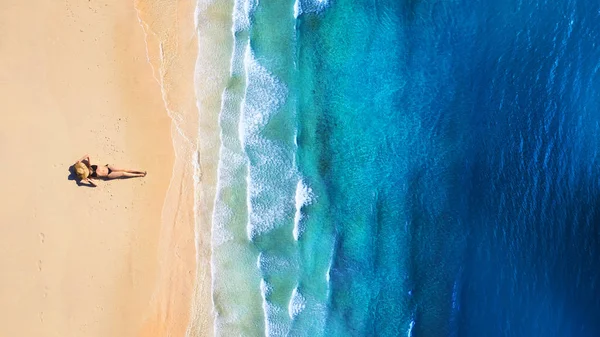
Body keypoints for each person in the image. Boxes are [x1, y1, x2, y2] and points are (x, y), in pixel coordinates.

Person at [73, 154, 146, 187]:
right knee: (123, 173)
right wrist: (88, 180)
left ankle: (141, 171)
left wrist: (79, 160)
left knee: (125, 169)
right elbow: (96, 185)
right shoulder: (90, 177)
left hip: (108, 167)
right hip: (108, 175)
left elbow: (87, 155)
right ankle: (139, 175)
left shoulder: (90, 165)